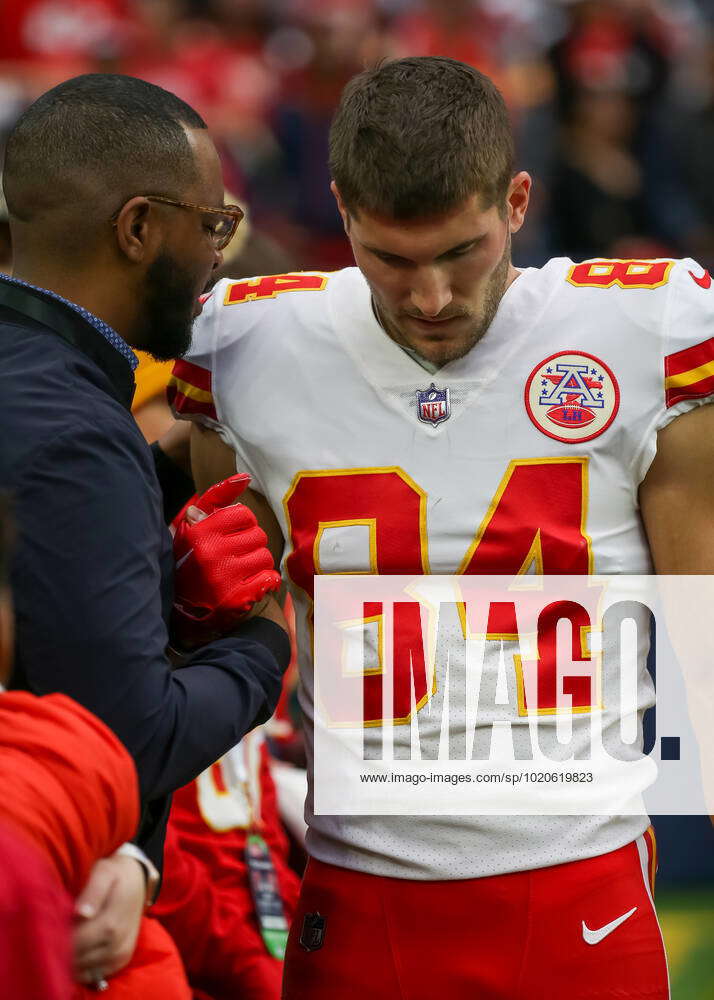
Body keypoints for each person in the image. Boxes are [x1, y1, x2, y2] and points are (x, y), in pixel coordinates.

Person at [167, 56, 714, 998]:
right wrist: (188, 596)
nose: (430, 298)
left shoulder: (643, 328)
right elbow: (240, 628)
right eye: (392, 258)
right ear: (341, 212)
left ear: (517, 201)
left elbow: (700, 614)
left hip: (581, 875)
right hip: (358, 882)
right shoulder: (244, 345)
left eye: (460, 251)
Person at [0, 73, 290, 986]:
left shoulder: (48, 394)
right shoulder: (74, 435)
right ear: (136, 228)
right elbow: (128, 733)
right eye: (211, 225)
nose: (220, 253)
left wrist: (162, 482)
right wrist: (258, 643)